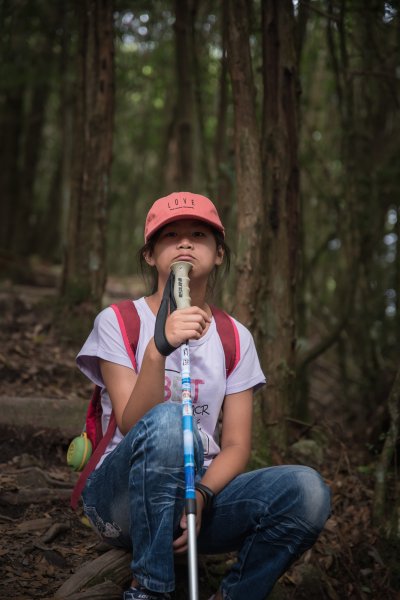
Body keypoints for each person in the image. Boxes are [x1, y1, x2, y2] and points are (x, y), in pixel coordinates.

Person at [76, 192, 331, 600]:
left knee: (307, 492)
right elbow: (130, 422)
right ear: (149, 255)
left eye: (198, 234)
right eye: (170, 235)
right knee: (171, 422)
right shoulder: (119, 321)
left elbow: (236, 444)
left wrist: (203, 496)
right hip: (121, 500)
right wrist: (158, 348)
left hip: (195, 502)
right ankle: (151, 588)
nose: (184, 243)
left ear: (219, 254)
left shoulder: (235, 337)